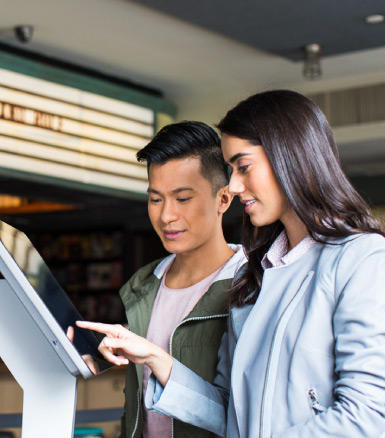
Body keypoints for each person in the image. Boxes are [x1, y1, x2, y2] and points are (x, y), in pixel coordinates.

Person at [79, 90, 385, 437]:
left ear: (290, 156)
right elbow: (227, 410)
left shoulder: (363, 258)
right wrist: (152, 356)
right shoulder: (257, 273)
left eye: (244, 167)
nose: (234, 185)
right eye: (231, 170)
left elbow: (362, 416)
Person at [114, 121, 247, 438]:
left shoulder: (251, 284)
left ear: (224, 199)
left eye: (183, 198)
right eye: (156, 199)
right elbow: (135, 406)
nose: (166, 216)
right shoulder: (142, 285)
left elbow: (248, 413)